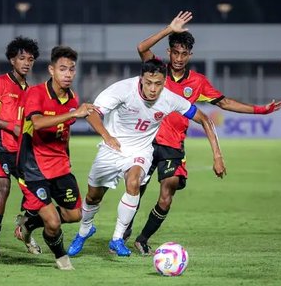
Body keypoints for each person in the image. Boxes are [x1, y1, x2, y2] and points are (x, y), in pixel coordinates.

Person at [125, 11, 281, 255]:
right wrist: (170, 28)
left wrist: (261, 110)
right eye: (175, 53)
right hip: (146, 141)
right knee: (135, 189)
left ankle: (143, 238)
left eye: (184, 54)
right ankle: (122, 231)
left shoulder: (198, 82)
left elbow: (225, 103)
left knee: (168, 192)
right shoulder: (158, 71)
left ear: (190, 55)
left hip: (173, 146)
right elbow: (141, 47)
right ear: (169, 53)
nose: (179, 58)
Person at [67, 58, 226, 257]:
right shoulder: (123, 89)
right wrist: (107, 137)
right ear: (141, 79)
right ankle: (84, 230)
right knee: (93, 196)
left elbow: (204, 119)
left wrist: (217, 155)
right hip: (111, 148)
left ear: (164, 82)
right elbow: (90, 112)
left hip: (140, 151)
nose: (153, 89)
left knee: (133, 183)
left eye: (158, 84)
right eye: (149, 83)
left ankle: (117, 238)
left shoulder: (170, 99)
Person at [14, 46, 95, 270]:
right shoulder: (36, 93)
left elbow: (65, 134)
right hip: (33, 167)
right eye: (62, 69)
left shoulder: (72, 99)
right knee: (53, 222)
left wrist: (67, 158)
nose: (68, 74)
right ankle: (62, 259)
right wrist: (73, 113)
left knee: (75, 214)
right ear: (51, 70)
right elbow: (37, 123)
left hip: (60, 166)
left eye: (71, 69)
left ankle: (27, 224)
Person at [0, 36, 41, 256]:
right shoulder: (0, 83)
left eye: (31, 59)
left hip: (21, 147)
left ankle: (25, 232)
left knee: (34, 194)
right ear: (12, 60)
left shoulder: (31, 90)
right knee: (3, 188)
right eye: (21, 58)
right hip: (0, 142)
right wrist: (10, 126)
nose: (26, 62)